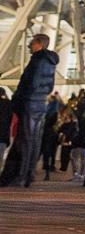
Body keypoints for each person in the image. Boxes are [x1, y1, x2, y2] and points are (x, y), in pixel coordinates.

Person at [1, 34, 57, 188]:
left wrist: (19, 100)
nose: (29, 46)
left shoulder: (38, 60)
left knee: (25, 140)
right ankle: (26, 174)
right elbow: (49, 86)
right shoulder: (51, 62)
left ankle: (19, 176)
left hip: (29, 103)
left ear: (39, 44)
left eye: (31, 43)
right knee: (33, 140)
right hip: (40, 104)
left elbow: (31, 83)